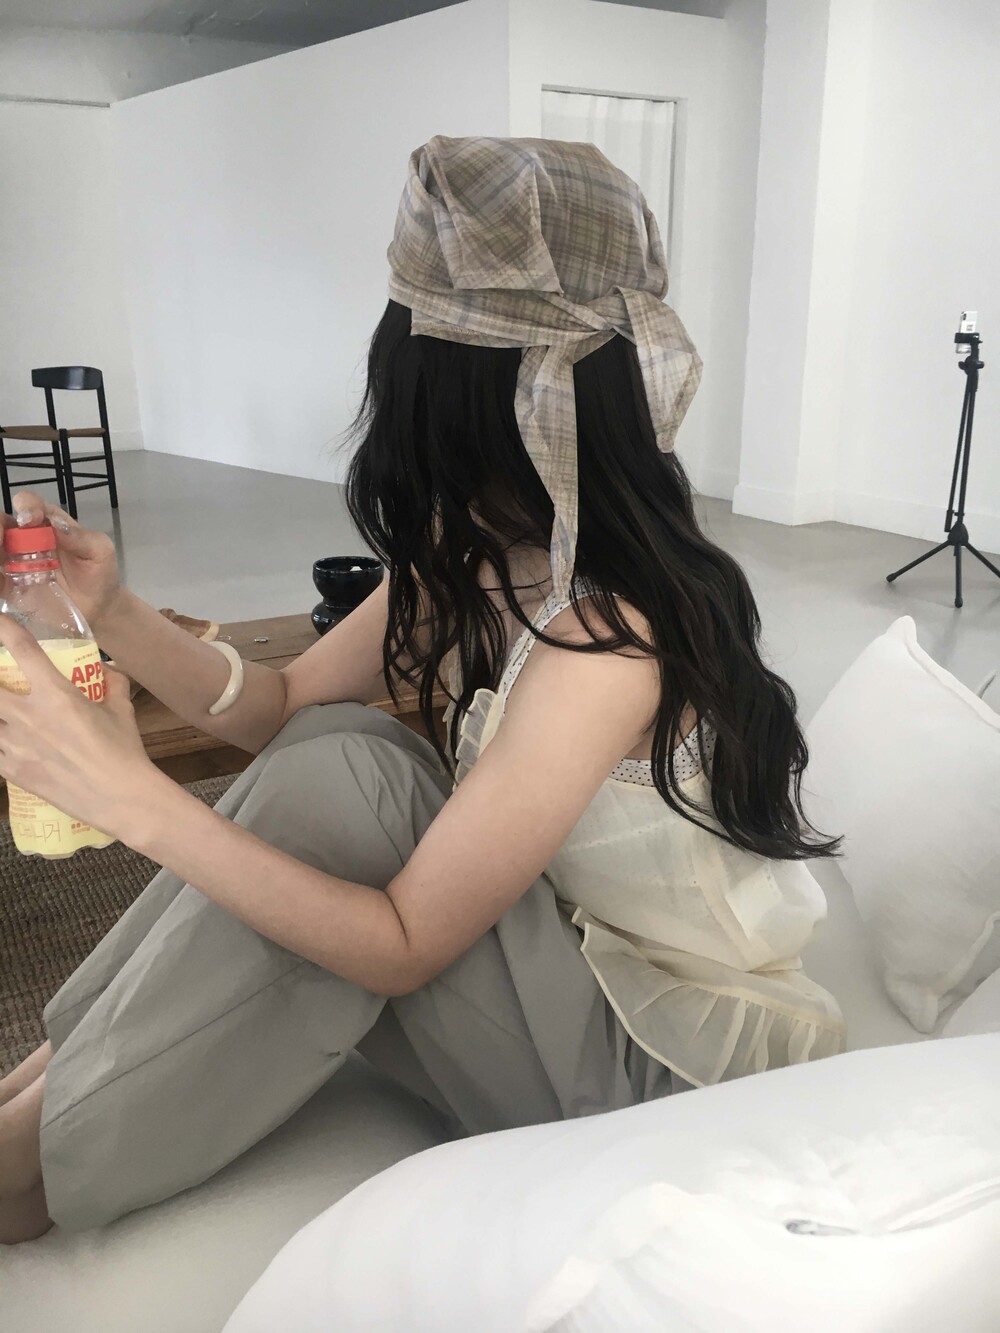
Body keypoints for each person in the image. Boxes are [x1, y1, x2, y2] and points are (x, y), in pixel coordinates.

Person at [0, 135, 845, 1245]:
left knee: (355, 798)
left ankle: (29, 1163)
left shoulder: (607, 638)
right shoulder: (478, 549)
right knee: (339, 758)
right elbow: (280, 709)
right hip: (567, 967)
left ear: (450, 393)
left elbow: (402, 945)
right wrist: (112, 609)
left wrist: (134, 800)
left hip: (659, 1072)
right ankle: (37, 1103)